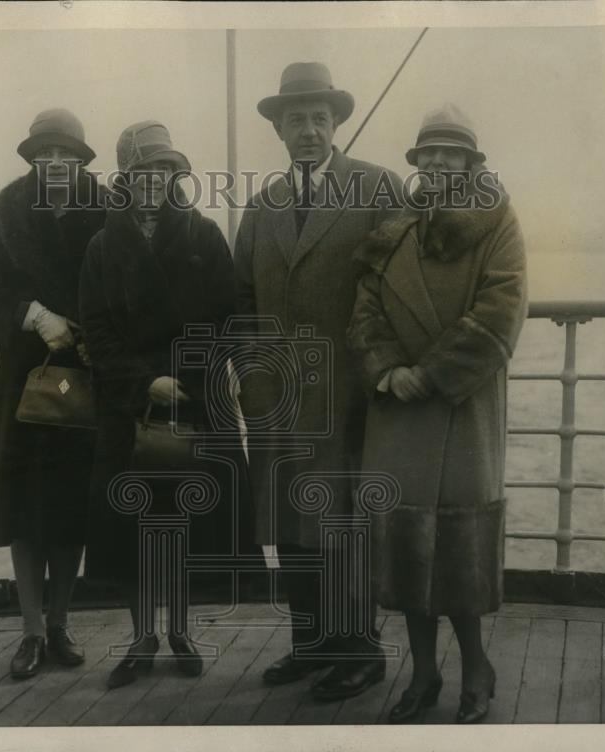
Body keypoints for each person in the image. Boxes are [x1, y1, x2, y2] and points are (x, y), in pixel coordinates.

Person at [347, 104, 528, 724]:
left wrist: (431, 374)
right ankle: (424, 673)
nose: (437, 163)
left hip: (460, 405)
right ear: (417, 163)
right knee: (404, 548)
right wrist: (387, 369)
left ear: (473, 164)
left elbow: (502, 307)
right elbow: (365, 308)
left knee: (457, 548)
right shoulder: (395, 226)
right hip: (397, 408)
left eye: (451, 154)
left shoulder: (498, 222)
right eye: (428, 154)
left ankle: (477, 667)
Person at [233, 61, 403, 702]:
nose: (308, 130)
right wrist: (251, 372)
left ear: (336, 125)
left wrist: (380, 368)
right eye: (295, 119)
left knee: (341, 525)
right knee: (288, 522)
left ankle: (360, 653)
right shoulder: (261, 205)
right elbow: (240, 297)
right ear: (278, 129)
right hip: (276, 397)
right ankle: (310, 644)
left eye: (319, 119)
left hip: (348, 395)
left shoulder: (379, 187)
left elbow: (401, 287)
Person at [80, 121, 253, 689]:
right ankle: (141, 637)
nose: (154, 180)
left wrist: (186, 375)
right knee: (133, 527)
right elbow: (97, 333)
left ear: (176, 176)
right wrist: (142, 383)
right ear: (125, 180)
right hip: (130, 410)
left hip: (196, 400)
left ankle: (179, 629)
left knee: (183, 522)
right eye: (142, 171)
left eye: (164, 170)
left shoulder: (204, 237)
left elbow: (230, 315)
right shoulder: (103, 247)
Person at [0, 108, 106, 680]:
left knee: (70, 511)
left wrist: (90, 334)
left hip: (86, 381)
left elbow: (126, 288)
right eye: (45, 154)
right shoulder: (7, 216)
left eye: (67, 154)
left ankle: (62, 622)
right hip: (21, 385)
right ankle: (31, 632)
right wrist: (31, 314)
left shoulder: (107, 211)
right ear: (32, 160)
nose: (56, 163)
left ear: (83, 160)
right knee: (24, 515)